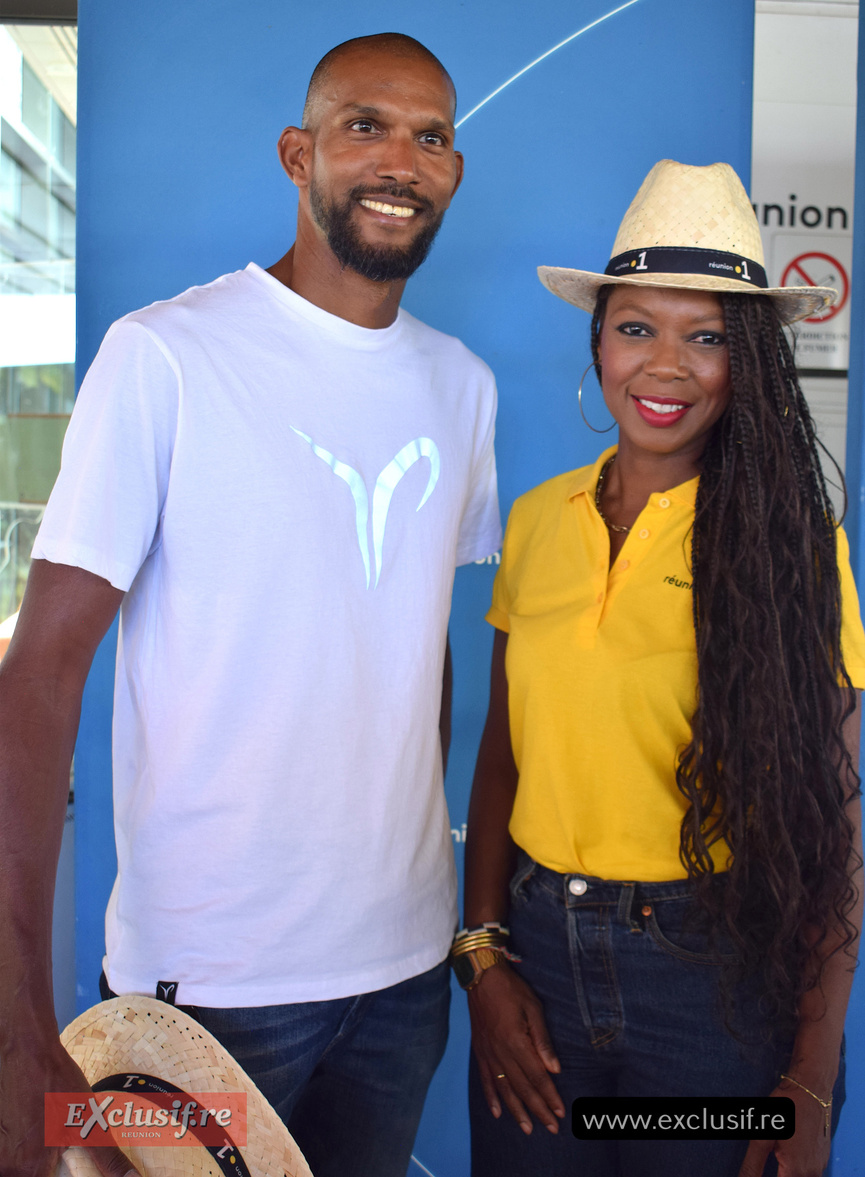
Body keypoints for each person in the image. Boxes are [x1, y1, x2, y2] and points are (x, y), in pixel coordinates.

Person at [0, 33, 501, 1177]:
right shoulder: (164, 357)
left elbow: (417, 651)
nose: (400, 159)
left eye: (430, 137)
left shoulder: (461, 387)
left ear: (454, 172)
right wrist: (14, 1026)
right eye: (364, 125)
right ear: (297, 152)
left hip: (405, 978)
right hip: (207, 986)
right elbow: (37, 678)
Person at [457, 160, 863, 1177]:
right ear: (597, 342)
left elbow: (833, 824)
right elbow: (501, 759)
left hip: (708, 986)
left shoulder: (792, 547)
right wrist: (484, 958)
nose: (665, 365)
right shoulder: (539, 521)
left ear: (750, 359)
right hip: (539, 967)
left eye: (707, 335)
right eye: (636, 326)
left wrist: (810, 1076)